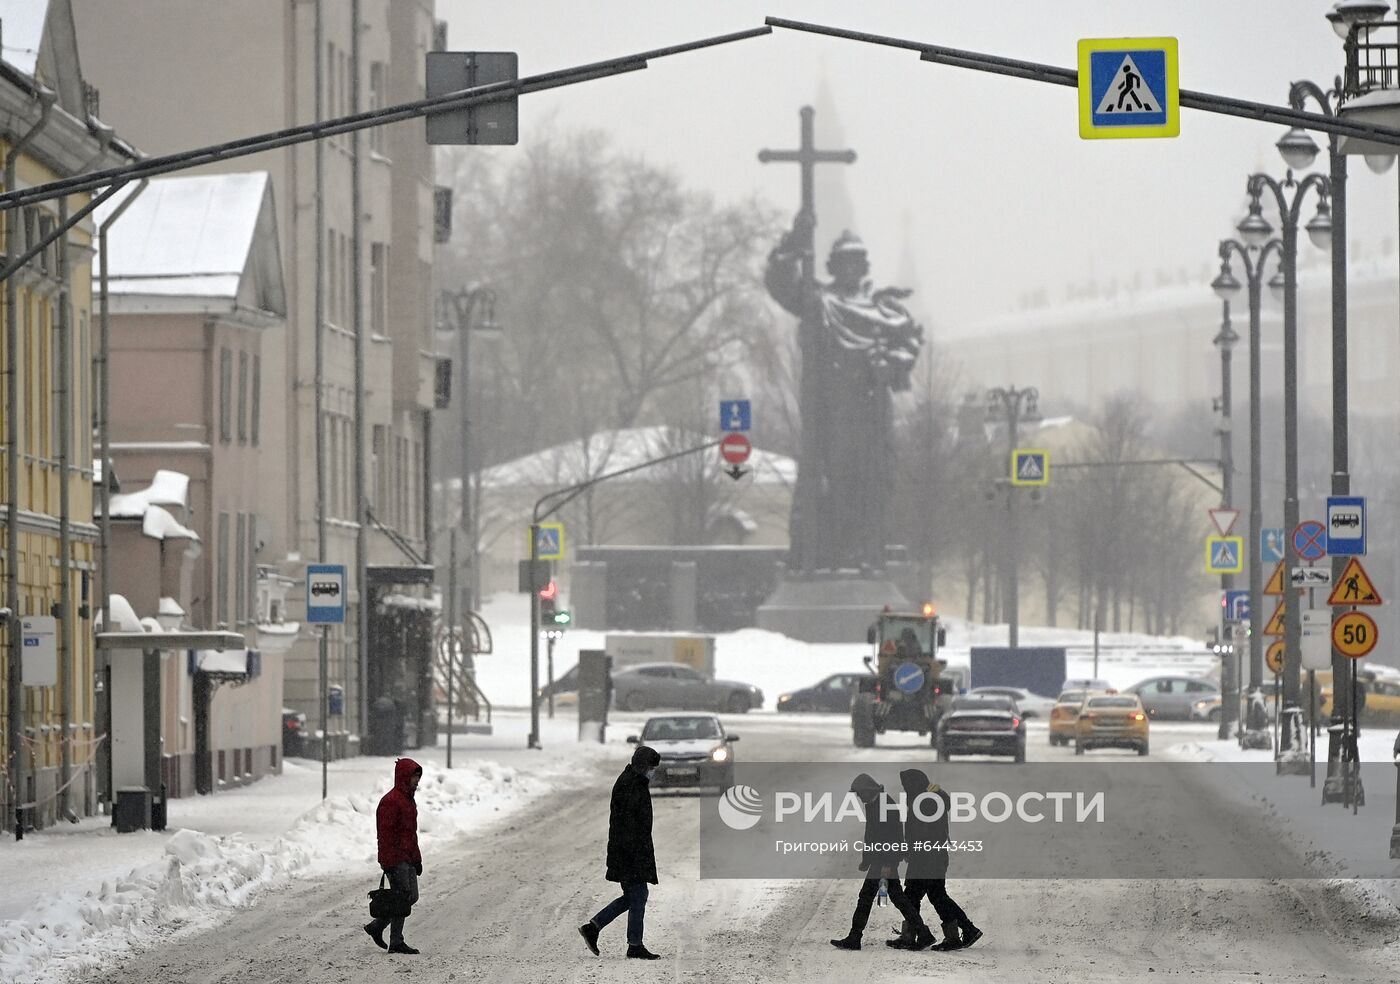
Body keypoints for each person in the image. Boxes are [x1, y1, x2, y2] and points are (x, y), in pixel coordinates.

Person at [831, 773, 934, 952]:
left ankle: (855, 938)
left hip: (884, 860)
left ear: (866, 790)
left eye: (859, 793)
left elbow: (893, 836)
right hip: (880, 859)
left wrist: (888, 863)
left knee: (866, 898)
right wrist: (867, 859)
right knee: (898, 899)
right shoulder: (874, 804)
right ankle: (923, 933)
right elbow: (871, 836)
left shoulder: (884, 805)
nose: (858, 797)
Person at [579, 744, 663, 960]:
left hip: (630, 851)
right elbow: (628, 826)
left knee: (634, 896)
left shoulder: (633, 782)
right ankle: (632, 944)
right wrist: (635, 855)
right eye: (652, 768)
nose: (653, 772)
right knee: (638, 895)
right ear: (643, 766)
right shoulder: (630, 785)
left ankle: (595, 928)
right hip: (628, 853)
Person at [887, 768, 982, 952]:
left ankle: (925, 935)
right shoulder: (927, 798)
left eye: (906, 785)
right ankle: (958, 933)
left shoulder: (927, 802)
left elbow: (923, 833)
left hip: (927, 859)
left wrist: (913, 849)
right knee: (932, 896)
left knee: (922, 896)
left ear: (914, 784)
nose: (905, 789)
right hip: (931, 857)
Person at [364, 757, 423, 955]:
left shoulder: (407, 800)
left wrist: (417, 859)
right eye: (414, 777)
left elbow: (410, 834)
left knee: (411, 897)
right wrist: (387, 862)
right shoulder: (390, 801)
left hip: (407, 858)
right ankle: (396, 942)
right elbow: (385, 834)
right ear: (404, 777)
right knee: (402, 899)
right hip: (395, 860)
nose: (417, 781)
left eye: (418, 777)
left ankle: (377, 926)